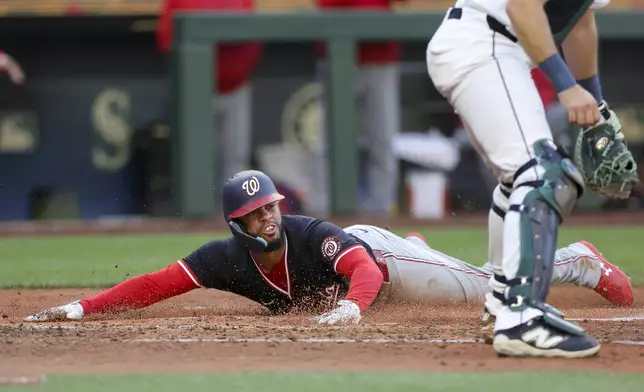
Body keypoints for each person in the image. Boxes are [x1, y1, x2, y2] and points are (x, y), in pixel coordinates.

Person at [25, 170, 633, 328]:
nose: (268, 215)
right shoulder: (223, 259)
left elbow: (362, 269)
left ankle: (574, 259)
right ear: (236, 224)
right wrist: (81, 308)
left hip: (380, 264)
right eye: (254, 212)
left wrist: (354, 308)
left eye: (271, 205)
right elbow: (156, 284)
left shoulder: (310, 233)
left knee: (484, 285)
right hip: (367, 275)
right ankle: (418, 246)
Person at [425, 0, 640, 358]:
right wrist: (566, 86)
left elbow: (580, 24)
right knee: (544, 175)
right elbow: (523, 8)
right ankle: (521, 315)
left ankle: (502, 303)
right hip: (484, 43)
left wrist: (597, 108)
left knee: (521, 178)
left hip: (496, 51)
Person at [309, 0, 404, 217]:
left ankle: (380, 213)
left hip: (380, 57)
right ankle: (319, 211)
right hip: (337, 54)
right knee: (325, 141)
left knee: (382, 140)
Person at [156, 0, 262, 181]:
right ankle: (198, 210)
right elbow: (166, 40)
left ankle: (234, 207)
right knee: (196, 159)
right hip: (194, 91)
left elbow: (253, 35)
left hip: (236, 88)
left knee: (236, 158)